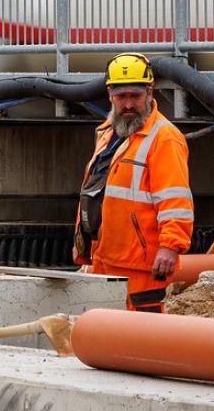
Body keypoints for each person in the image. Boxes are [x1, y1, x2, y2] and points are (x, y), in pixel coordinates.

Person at [75, 53, 193, 312]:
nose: (128, 104)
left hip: (142, 264)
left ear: (149, 93)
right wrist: (85, 245)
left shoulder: (164, 138)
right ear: (110, 94)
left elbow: (175, 199)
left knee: (143, 336)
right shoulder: (109, 132)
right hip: (106, 256)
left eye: (135, 96)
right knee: (106, 334)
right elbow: (96, 190)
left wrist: (170, 246)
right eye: (122, 97)